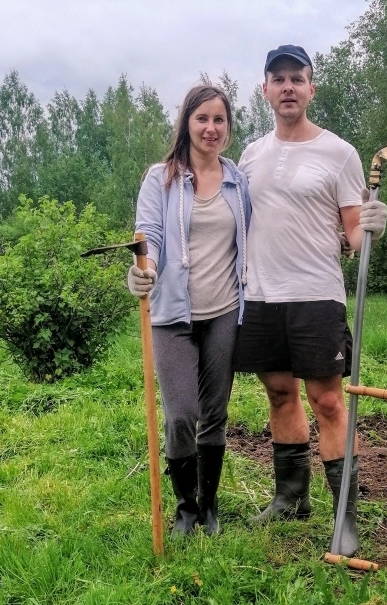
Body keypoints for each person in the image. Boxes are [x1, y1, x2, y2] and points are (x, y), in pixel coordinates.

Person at [233, 45, 387, 556]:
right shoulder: (251, 155)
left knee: (327, 401)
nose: (288, 87)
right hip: (260, 295)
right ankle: (290, 498)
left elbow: (354, 234)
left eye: (296, 79)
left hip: (317, 296)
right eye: (278, 79)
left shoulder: (339, 153)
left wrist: (372, 226)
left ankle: (345, 518)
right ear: (265, 90)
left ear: (311, 88)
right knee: (279, 393)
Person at [127, 85, 252, 538]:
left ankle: (209, 506)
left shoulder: (238, 181)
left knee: (214, 412)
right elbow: (149, 235)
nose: (211, 128)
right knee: (181, 414)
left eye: (219, 119)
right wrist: (142, 271)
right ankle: (185, 508)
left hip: (224, 311)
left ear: (228, 127)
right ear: (186, 123)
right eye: (202, 118)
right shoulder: (160, 178)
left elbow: (257, 234)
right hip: (172, 315)